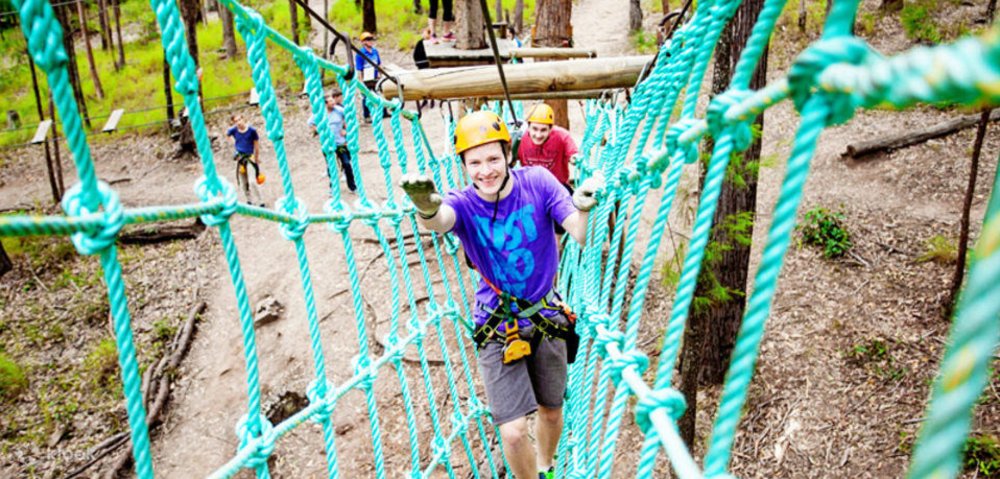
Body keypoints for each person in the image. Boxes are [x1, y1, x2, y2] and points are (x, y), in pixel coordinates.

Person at [399, 111, 603, 479]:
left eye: (493, 158)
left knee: (551, 410)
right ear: (463, 165)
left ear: (508, 155)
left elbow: (579, 232)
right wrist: (425, 207)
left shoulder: (538, 182)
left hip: (546, 316)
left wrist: (584, 210)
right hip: (497, 323)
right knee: (511, 431)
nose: (485, 170)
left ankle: (546, 464)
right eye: (474, 162)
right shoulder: (462, 202)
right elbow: (440, 220)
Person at [517, 103, 578, 192]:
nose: (538, 135)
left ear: (551, 129)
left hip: (557, 186)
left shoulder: (562, 136)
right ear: (528, 127)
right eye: (534, 129)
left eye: (543, 130)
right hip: (530, 187)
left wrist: (575, 159)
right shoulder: (520, 138)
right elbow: (509, 158)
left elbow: (574, 155)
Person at [308, 89, 357, 193]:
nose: (334, 102)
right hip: (328, 144)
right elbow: (310, 123)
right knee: (331, 166)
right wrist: (320, 131)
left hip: (340, 143)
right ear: (325, 104)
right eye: (331, 101)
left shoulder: (339, 110)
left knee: (347, 163)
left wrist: (346, 129)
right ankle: (333, 188)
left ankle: (352, 186)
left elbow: (349, 118)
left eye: (333, 100)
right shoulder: (319, 113)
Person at [226, 114, 265, 207]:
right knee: (244, 182)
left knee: (252, 181)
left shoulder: (252, 131)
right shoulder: (234, 130)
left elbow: (256, 145)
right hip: (240, 158)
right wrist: (234, 145)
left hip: (249, 157)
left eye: (239, 120)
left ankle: (261, 200)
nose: (238, 122)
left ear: (243, 119)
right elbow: (227, 134)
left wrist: (256, 157)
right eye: (236, 121)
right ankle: (249, 200)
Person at [354, 32, 382, 123]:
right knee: (366, 96)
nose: (370, 41)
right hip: (366, 77)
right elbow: (359, 68)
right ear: (363, 42)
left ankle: (383, 112)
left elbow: (379, 63)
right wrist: (360, 80)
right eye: (368, 40)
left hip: (375, 75)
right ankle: (367, 116)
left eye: (371, 39)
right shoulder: (360, 53)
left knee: (379, 94)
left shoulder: (375, 51)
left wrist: (380, 73)